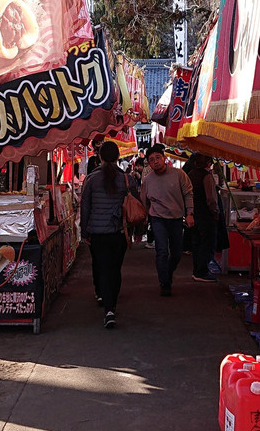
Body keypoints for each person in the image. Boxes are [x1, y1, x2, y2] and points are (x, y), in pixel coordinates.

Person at [79, 141, 130, 328]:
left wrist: (84, 231)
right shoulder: (125, 178)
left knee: (102, 267)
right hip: (118, 232)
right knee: (114, 270)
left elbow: (85, 207)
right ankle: (111, 307)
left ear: (99, 156)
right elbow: (134, 203)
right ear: (118, 156)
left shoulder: (92, 179)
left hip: (98, 233)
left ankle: (104, 300)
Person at [140, 144, 194, 296]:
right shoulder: (147, 180)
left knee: (177, 253)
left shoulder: (179, 174)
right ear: (148, 164)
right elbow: (144, 201)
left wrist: (190, 213)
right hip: (158, 219)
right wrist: (144, 217)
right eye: (151, 160)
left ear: (164, 158)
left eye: (158, 158)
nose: (155, 161)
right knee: (161, 251)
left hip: (177, 219)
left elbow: (188, 193)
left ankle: (168, 273)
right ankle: (164, 282)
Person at [186, 153, 220, 282]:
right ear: (208, 163)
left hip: (193, 214)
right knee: (207, 243)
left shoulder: (190, 175)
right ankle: (201, 271)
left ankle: (197, 270)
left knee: (197, 243)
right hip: (205, 215)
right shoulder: (206, 176)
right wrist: (215, 212)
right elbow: (211, 199)